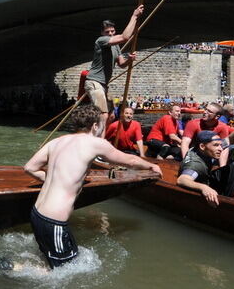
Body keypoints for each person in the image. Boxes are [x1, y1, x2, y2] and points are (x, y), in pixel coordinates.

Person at [22, 104, 161, 269]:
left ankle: (23, 267)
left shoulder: (56, 142)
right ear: (95, 126)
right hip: (54, 222)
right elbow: (129, 160)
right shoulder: (94, 143)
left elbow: (29, 167)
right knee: (65, 272)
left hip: (36, 214)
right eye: (101, 125)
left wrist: (54, 179)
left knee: (54, 262)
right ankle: (16, 269)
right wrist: (151, 166)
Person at [83, 5, 142, 130]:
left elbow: (121, 64)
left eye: (112, 31)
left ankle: (100, 136)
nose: (110, 34)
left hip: (104, 85)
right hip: (94, 82)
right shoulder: (101, 41)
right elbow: (125, 37)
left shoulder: (116, 47)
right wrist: (134, 16)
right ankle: (98, 142)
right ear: (102, 33)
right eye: (107, 32)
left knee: (110, 116)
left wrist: (129, 60)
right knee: (103, 114)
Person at [176, 131, 234, 207]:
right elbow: (182, 180)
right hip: (197, 187)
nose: (221, 149)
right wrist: (204, 188)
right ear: (202, 146)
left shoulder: (204, 149)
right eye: (216, 145)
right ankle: (225, 203)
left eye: (220, 145)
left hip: (205, 178)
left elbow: (230, 139)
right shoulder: (195, 165)